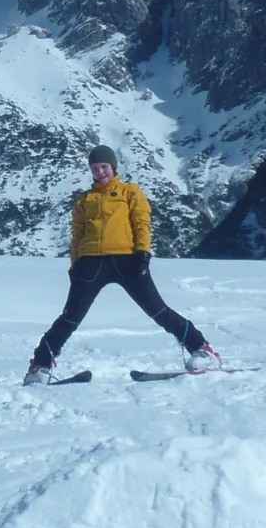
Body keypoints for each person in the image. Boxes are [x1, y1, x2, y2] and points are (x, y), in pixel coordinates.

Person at [23, 146, 219, 384]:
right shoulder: (85, 199)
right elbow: (77, 235)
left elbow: (141, 222)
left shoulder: (129, 192)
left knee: (157, 310)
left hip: (127, 260)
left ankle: (202, 349)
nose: (100, 172)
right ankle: (39, 366)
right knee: (70, 318)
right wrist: (74, 266)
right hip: (90, 262)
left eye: (104, 166)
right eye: (95, 168)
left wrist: (143, 253)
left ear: (113, 167)